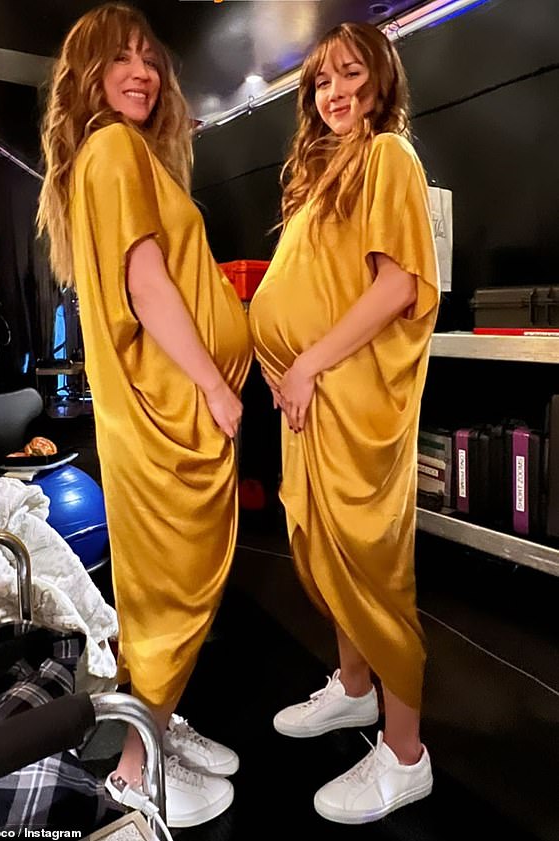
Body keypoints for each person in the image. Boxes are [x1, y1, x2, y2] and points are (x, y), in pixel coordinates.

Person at [37, 3, 252, 828]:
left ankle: (157, 726)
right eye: (119, 59)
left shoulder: (116, 155)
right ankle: (136, 770)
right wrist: (214, 386)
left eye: (149, 59)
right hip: (169, 410)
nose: (142, 73)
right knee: (170, 586)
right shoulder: (114, 148)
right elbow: (146, 283)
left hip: (161, 408)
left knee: (166, 583)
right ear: (87, 76)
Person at [249, 22, 440, 825]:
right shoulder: (323, 173)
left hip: (352, 398)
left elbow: (396, 285)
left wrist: (306, 364)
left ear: (381, 78)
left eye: (350, 73)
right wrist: (284, 365)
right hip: (311, 399)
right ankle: (355, 687)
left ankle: (406, 754)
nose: (334, 92)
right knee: (323, 550)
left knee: (371, 563)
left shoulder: (388, 155)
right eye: (322, 80)